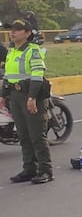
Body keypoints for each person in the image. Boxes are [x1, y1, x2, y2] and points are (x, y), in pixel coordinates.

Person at [3, 19, 53, 184]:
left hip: (31, 96)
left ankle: (45, 171)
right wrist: (3, 95)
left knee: (37, 136)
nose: (13, 32)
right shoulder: (12, 51)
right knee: (23, 135)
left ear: (27, 33)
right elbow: (8, 75)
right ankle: (29, 169)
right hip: (15, 97)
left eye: (17, 29)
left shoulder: (33, 50)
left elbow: (37, 75)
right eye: (12, 29)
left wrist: (32, 97)